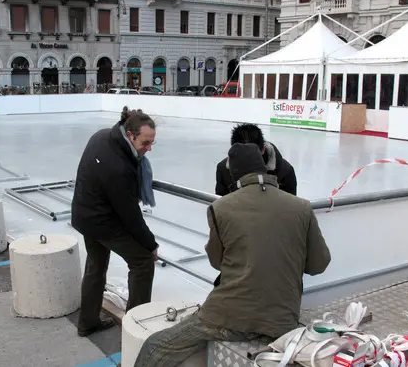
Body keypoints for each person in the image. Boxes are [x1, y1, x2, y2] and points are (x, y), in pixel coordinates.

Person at [134, 142, 331, 367]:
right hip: (282, 320)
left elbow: (217, 262)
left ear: (233, 174)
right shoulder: (302, 207)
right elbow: (319, 264)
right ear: (264, 169)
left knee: (156, 345)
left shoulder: (221, 208)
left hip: (229, 317)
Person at [71, 106, 159, 337]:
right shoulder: (119, 166)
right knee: (142, 263)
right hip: (102, 220)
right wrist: (150, 245)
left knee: (96, 266)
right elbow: (130, 214)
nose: (148, 149)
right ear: (130, 135)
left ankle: (87, 323)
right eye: (145, 143)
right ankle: (135, 331)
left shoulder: (102, 135)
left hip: (85, 215)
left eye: (152, 143)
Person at [215, 123, 297, 196]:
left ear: (263, 150)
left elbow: (289, 208)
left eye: (252, 154)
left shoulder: (285, 172)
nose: (247, 161)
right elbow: (221, 203)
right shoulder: (223, 169)